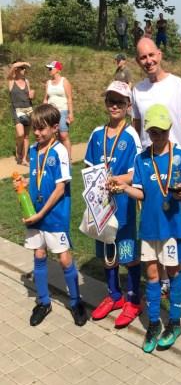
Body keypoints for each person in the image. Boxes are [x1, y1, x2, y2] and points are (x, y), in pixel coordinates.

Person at [113, 104, 181, 352]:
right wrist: (125, 189)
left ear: (169, 128)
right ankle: (155, 323)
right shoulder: (141, 158)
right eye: (153, 132)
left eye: (162, 131)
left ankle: (175, 322)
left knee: (173, 274)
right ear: (148, 132)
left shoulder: (179, 155)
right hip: (148, 228)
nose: (157, 136)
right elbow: (141, 192)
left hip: (171, 227)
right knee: (151, 276)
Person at [132, 37, 181, 296]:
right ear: (138, 61)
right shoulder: (137, 90)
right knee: (151, 224)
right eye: (143, 58)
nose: (148, 61)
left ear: (159, 54)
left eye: (151, 55)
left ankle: (177, 276)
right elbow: (137, 127)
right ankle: (161, 280)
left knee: (173, 224)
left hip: (174, 168)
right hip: (148, 168)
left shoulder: (177, 84)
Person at [13, 104, 87, 327]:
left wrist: (41, 214)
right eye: (34, 128)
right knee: (39, 256)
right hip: (35, 213)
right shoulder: (34, 150)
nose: (36, 133)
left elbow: (60, 188)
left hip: (53, 216)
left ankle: (76, 301)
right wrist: (24, 184)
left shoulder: (60, 151)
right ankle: (43, 301)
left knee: (64, 260)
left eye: (42, 129)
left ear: (55, 128)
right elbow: (38, 177)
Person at [84, 81, 143, 329]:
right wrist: (94, 182)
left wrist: (117, 180)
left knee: (127, 254)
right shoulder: (97, 134)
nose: (115, 106)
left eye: (120, 101)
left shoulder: (130, 136)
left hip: (123, 205)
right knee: (109, 254)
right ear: (106, 103)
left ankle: (133, 299)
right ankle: (114, 294)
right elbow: (88, 166)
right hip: (101, 206)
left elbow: (136, 173)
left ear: (128, 106)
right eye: (111, 101)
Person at [43, 61, 74, 160]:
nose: (49, 71)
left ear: (57, 69)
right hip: (51, 113)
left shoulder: (64, 81)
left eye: (50, 68)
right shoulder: (48, 83)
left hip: (62, 111)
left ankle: (68, 159)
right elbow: (46, 99)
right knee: (53, 136)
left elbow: (69, 98)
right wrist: (43, 111)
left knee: (63, 135)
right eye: (48, 69)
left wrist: (71, 114)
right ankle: (58, 158)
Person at [7, 60, 35, 166]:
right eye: (22, 68)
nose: (24, 70)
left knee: (26, 136)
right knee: (20, 134)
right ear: (16, 69)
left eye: (25, 68)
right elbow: (13, 66)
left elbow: (30, 96)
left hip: (28, 109)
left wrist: (32, 95)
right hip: (17, 110)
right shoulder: (11, 81)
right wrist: (24, 63)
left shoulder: (26, 81)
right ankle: (18, 149)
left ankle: (23, 159)